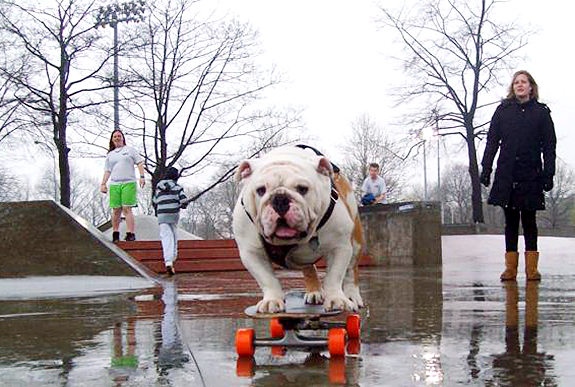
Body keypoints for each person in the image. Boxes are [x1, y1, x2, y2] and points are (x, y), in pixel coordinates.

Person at [480, 70, 556, 281]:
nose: (519, 85)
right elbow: (492, 142)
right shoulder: (503, 111)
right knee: (510, 221)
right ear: (512, 87)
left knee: (529, 220)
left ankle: (532, 269)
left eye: (524, 82)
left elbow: (549, 146)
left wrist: (549, 173)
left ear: (531, 86)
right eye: (516, 83)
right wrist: (486, 169)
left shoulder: (541, 113)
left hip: (531, 172)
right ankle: (510, 268)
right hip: (507, 172)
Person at [100, 129, 146, 242]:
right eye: (115, 136)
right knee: (116, 210)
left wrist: (142, 176)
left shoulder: (130, 150)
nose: (117, 138)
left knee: (126, 208)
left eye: (119, 136)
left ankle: (130, 233)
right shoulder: (110, 155)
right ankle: (115, 233)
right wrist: (103, 183)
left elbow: (139, 163)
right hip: (115, 183)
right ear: (112, 139)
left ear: (123, 137)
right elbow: (107, 170)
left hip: (128, 182)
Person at [152, 167, 188, 275]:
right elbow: (184, 200)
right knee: (174, 236)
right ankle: (172, 258)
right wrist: (183, 205)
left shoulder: (158, 187)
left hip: (162, 215)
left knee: (166, 237)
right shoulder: (177, 188)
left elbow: (155, 200)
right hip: (173, 215)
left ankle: (168, 262)